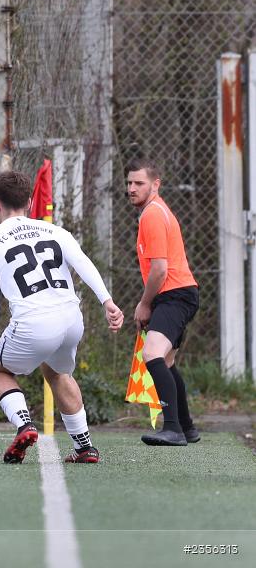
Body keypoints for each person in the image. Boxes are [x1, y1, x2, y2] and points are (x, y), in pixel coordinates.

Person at [0, 170, 123, 463]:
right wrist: (107, 301)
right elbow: (83, 264)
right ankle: (85, 447)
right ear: (30, 200)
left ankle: (24, 425)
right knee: (58, 372)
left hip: (34, 323)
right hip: (71, 319)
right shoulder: (55, 232)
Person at [126, 159, 200, 446]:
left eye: (139, 183)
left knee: (152, 354)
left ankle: (173, 429)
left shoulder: (152, 214)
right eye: (129, 183)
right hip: (179, 293)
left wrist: (145, 304)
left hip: (175, 294)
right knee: (166, 361)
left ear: (155, 185)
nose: (132, 188)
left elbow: (159, 269)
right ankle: (187, 427)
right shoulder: (155, 211)